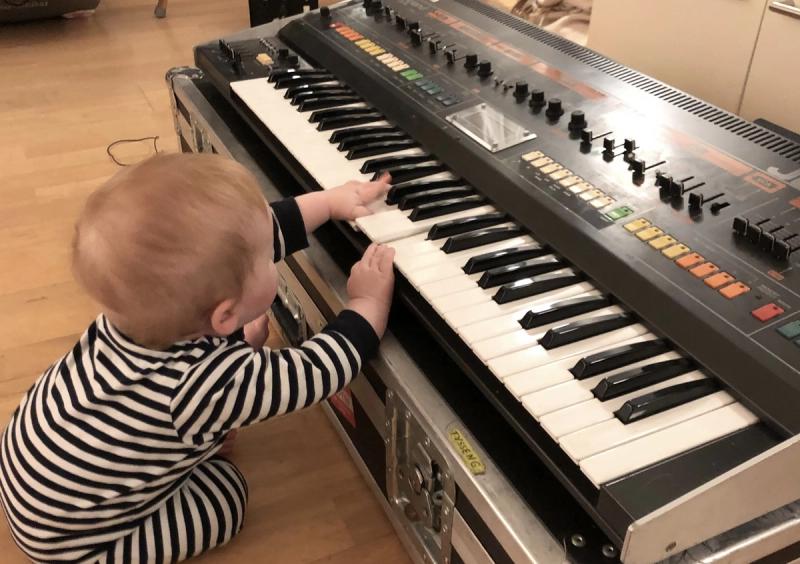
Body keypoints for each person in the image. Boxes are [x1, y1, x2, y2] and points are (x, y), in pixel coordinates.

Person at [0, 153, 395, 562]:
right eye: (265, 257)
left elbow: (258, 232)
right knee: (226, 497)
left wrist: (331, 202)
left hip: (23, 464)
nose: (271, 249)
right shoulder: (204, 385)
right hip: (72, 543)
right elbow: (319, 370)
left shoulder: (131, 318)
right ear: (224, 316)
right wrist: (366, 302)